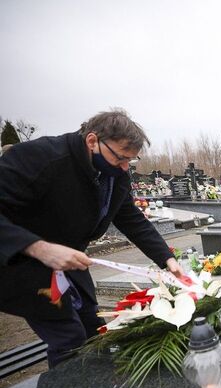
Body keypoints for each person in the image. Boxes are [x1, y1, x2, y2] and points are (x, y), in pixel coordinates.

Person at [0, 109, 183, 368]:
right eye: (120, 157)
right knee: (69, 339)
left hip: (68, 265)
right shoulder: (40, 157)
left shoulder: (115, 174)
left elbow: (128, 216)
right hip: (21, 264)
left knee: (95, 330)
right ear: (92, 141)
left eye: (130, 161)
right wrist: (39, 248)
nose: (123, 167)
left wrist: (167, 259)